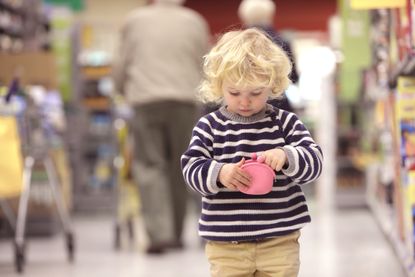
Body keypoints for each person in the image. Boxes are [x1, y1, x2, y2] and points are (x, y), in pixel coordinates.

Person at [181, 28, 323, 276]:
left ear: (272, 85)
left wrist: (287, 155)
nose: (244, 102)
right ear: (219, 85)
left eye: (255, 93)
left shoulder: (285, 123)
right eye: (234, 93)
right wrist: (219, 172)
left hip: (279, 241)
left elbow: (315, 162)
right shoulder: (209, 127)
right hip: (226, 246)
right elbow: (191, 167)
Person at [112, 0, 210, 254]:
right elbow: (206, 64)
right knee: (184, 164)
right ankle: (177, 233)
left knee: (150, 165)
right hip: (185, 100)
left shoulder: (135, 20)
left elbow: (121, 64)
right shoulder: (194, 21)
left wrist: (121, 89)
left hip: (146, 99)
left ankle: (159, 233)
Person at [238, 0, 299, 112]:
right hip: (278, 102)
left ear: (243, 15)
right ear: (270, 14)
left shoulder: (235, 45)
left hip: (244, 105)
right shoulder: (282, 42)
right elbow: (293, 78)